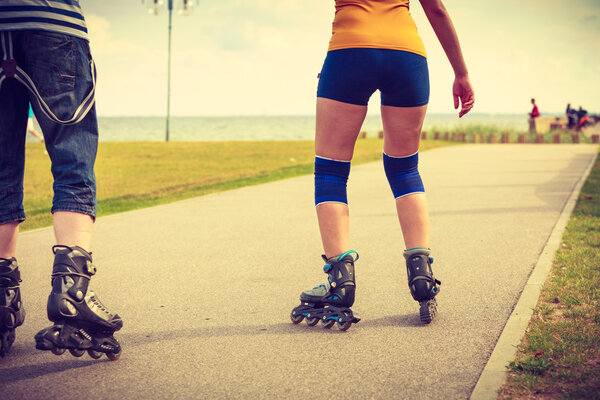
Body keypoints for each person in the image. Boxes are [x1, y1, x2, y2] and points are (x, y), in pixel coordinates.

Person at [290, 0, 474, 330]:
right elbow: (437, 11)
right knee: (405, 168)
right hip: (407, 55)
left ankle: (340, 282)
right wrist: (461, 73)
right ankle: (421, 273)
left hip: (350, 49)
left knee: (331, 171)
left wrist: (337, 67)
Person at [0, 0, 122, 359]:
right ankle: (72, 292)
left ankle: (3, 294)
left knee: (2, 167)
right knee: (72, 158)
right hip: (52, 26)